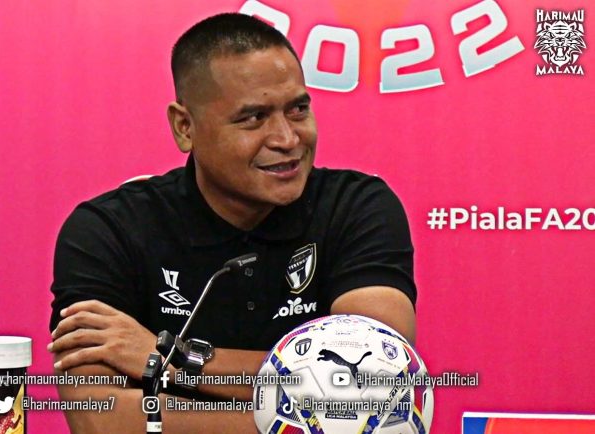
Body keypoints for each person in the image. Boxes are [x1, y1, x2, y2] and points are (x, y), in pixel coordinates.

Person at [48, 13, 416, 434]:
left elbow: (371, 385)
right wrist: (309, 411)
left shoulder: (356, 207)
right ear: (185, 127)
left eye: (298, 109)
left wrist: (173, 358)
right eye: (253, 118)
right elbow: (102, 419)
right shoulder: (107, 230)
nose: (287, 139)